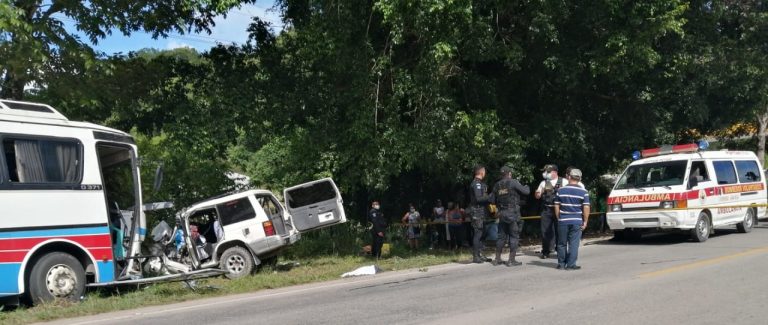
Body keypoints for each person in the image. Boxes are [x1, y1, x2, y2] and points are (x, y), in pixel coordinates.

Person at [492, 166, 530, 267]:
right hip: (512, 213)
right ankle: (511, 260)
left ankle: (497, 259)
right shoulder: (513, 182)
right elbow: (526, 192)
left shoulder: (497, 185)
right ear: (509, 174)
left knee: (501, 237)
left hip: (502, 213)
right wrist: (526, 186)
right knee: (514, 236)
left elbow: (491, 199)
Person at [554, 168, 590, 270]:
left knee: (561, 243)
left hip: (563, 220)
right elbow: (586, 207)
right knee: (574, 244)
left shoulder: (560, 190)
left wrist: (558, 218)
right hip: (576, 221)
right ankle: (570, 265)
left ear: (569, 177)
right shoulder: (584, 192)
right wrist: (585, 221)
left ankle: (561, 264)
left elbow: (556, 206)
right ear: (580, 178)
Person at [535, 164, 564, 259]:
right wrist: (538, 193)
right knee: (545, 231)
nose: (545, 174)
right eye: (545, 172)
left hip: (559, 209)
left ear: (555, 172)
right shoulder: (544, 183)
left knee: (559, 231)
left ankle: (559, 251)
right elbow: (537, 195)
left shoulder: (564, 181)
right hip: (546, 209)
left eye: (548, 172)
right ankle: (545, 251)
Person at [469, 165, 493, 263]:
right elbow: (478, 199)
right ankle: (475, 256)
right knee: (478, 233)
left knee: (483, 233)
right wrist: (490, 197)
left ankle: (480, 254)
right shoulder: (476, 184)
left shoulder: (481, 184)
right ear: (481, 172)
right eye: (484, 172)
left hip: (482, 212)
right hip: (477, 211)